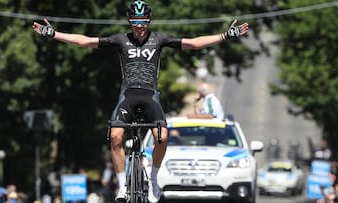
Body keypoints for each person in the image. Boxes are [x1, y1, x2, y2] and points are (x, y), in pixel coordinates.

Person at [32, 1, 249, 202]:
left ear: (149, 22)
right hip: (127, 96)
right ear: (129, 22)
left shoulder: (159, 39)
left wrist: (225, 35)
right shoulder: (120, 40)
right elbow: (85, 41)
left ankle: (153, 180)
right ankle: (122, 186)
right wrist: (54, 34)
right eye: (135, 22)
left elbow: (193, 43)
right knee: (115, 138)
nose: (139, 27)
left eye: (143, 22)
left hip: (150, 96)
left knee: (162, 137)